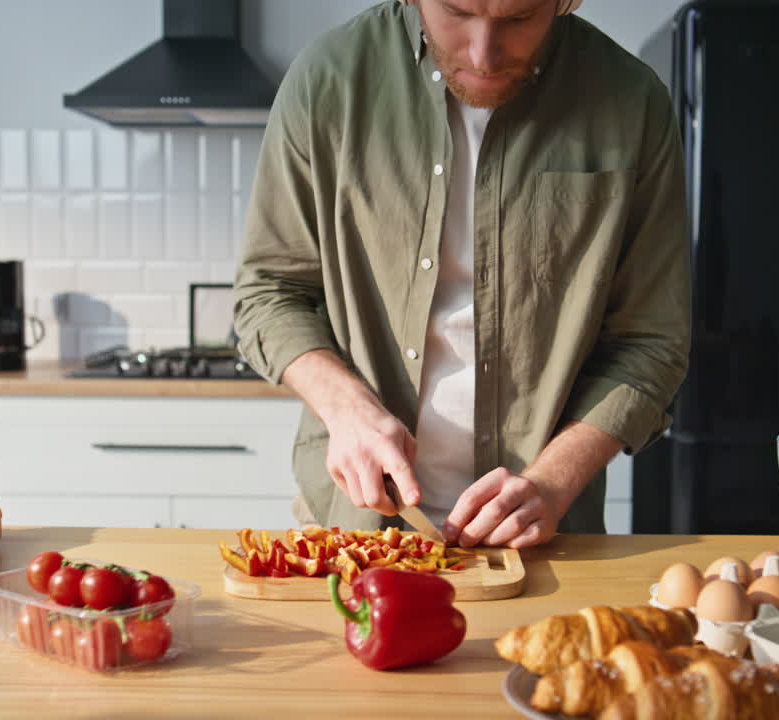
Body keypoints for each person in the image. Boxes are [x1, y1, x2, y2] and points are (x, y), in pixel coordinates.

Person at [233, 0, 690, 548]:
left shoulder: (630, 100)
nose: (484, 52)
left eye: (520, 19)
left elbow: (651, 339)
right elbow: (270, 291)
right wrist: (345, 408)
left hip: (540, 534)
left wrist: (553, 479)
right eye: (456, 11)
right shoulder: (327, 81)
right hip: (352, 528)